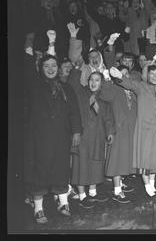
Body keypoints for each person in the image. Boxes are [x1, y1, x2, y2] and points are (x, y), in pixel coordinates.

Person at [24, 52, 82, 223]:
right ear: (40, 68)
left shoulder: (67, 88)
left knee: (61, 169)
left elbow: (74, 112)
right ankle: (39, 209)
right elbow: (26, 114)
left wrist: (76, 131)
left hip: (61, 138)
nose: (50, 69)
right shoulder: (33, 87)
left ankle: (63, 203)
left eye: (53, 66)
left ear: (58, 69)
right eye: (46, 66)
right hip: (39, 138)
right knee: (39, 171)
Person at [110, 61, 156, 197]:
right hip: (144, 130)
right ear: (147, 76)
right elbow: (129, 84)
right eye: (151, 74)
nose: (154, 76)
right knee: (145, 159)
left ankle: (152, 183)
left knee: (155, 159)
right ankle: (147, 185)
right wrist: (119, 76)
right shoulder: (141, 87)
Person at [68, 71, 115, 208]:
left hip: (98, 136)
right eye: (91, 80)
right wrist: (76, 68)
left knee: (96, 161)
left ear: (102, 83)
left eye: (97, 80)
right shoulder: (81, 94)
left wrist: (110, 132)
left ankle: (93, 191)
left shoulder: (104, 99)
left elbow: (108, 118)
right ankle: (82, 194)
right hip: (82, 135)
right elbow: (73, 83)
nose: (93, 83)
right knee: (80, 163)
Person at [98, 65, 137, 203]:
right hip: (118, 130)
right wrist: (107, 79)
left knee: (125, 159)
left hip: (131, 131)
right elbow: (104, 95)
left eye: (127, 74)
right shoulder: (113, 89)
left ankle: (120, 183)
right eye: (121, 74)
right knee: (116, 160)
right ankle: (117, 190)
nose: (124, 76)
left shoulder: (132, 91)